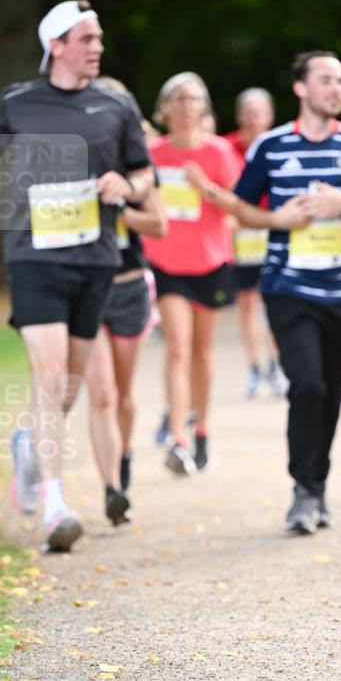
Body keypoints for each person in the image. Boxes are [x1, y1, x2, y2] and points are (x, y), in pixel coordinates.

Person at [0, 0, 153, 552]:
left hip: (95, 259)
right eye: (87, 38)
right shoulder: (18, 100)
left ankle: (28, 443)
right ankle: (54, 505)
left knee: (67, 386)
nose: (97, 47)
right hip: (33, 255)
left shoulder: (116, 105)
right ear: (58, 45)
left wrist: (127, 185)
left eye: (98, 38)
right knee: (49, 378)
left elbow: (143, 173)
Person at [188, 51, 341, 532]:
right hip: (288, 288)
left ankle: (317, 487)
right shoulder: (272, 147)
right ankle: (303, 492)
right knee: (307, 385)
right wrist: (278, 220)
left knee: (331, 395)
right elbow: (241, 208)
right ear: (301, 88)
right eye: (326, 80)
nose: (336, 88)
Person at [143, 72, 241, 475]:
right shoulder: (152, 154)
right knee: (177, 347)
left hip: (211, 261)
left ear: (204, 109)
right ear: (164, 109)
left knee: (201, 352)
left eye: (193, 99)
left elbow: (239, 206)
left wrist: (207, 190)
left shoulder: (218, 152)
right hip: (166, 264)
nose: (186, 107)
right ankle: (178, 438)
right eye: (178, 99)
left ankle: (202, 429)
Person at [83, 77, 167, 523]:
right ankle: (111, 486)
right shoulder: (73, 163)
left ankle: (125, 452)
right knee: (102, 392)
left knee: (124, 394)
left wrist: (120, 209)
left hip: (131, 285)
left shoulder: (137, 171)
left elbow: (159, 226)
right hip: (89, 285)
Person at [224, 88, 287, 398]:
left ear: (270, 116)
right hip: (241, 235)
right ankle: (253, 367)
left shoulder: (280, 146)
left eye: (258, 112)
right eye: (247, 112)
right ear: (239, 116)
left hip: (272, 230)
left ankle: (276, 366)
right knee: (247, 303)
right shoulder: (226, 147)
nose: (253, 118)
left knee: (273, 301)